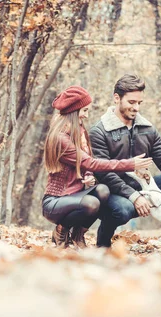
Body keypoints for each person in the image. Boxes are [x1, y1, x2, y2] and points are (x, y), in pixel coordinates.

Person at [89, 74, 161, 251]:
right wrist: (135, 197)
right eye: (131, 102)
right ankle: (103, 242)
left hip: (143, 188)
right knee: (122, 210)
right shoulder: (99, 131)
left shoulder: (147, 129)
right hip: (112, 192)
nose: (136, 107)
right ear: (117, 98)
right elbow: (103, 172)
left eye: (139, 103)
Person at [42, 85, 153, 248]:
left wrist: (88, 175)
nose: (86, 116)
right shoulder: (60, 138)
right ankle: (61, 230)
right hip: (56, 200)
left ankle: (78, 234)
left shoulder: (79, 132)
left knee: (103, 190)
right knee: (91, 203)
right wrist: (130, 164)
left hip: (74, 195)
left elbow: (87, 164)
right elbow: (90, 162)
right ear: (74, 111)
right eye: (84, 110)